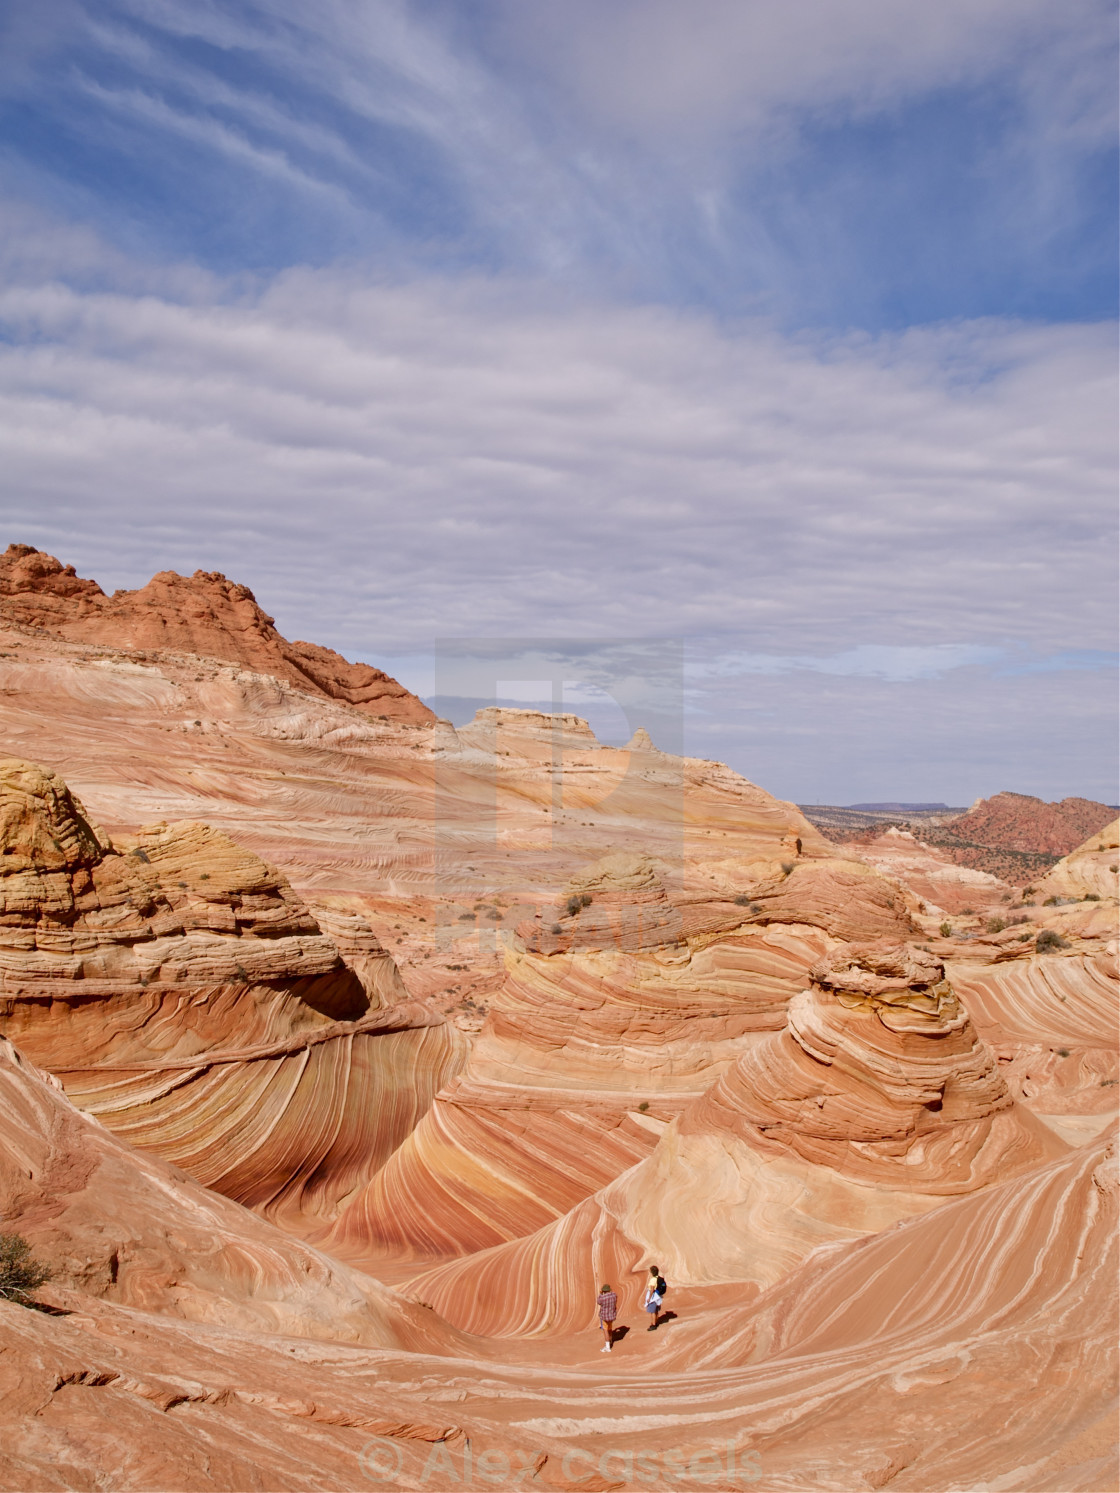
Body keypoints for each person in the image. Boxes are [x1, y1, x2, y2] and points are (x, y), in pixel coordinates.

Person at [596, 1283, 618, 1351]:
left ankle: (607, 1347)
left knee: (605, 1330)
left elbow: (598, 1302)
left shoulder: (602, 1298)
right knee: (610, 1328)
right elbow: (615, 1295)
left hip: (605, 1316)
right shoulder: (614, 1295)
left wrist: (600, 1294)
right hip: (611, 1315)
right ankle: (610, 1340)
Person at [643, 1264, 666, 1330]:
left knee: (652, 1311)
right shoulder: (658, 1278)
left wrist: (649, 1298)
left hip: (653, 1297)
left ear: (652, 1272)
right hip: (657, 1297)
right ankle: (656, 1322)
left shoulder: (653, 1279)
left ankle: (653, 1325)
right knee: (656, 1310)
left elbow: (652, 1289)